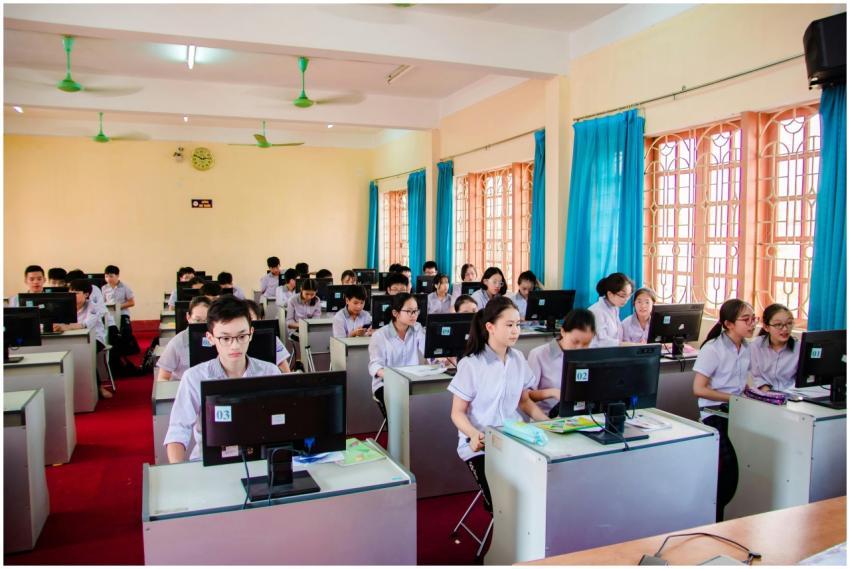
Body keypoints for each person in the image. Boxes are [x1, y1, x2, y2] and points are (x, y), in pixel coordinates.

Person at [447, 296, 549, 514]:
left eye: (518, 325)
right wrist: (473, 434)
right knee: (502, 506)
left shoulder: (518, 359)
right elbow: (457, 413)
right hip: (481, 444)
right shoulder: (471, 364)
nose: (515, 331)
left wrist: (548, 423)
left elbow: (524, 401)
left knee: (536, 495)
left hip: (515, 438)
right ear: (490, 327)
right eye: (509, 325)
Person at [164, 296, 280, 463]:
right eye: (225, 338)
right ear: (210, 338)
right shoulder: (194, 377)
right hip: (208, 464)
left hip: (260, 461)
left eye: (242, 336)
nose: (235, 346)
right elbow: (178, 430)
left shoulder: (270, 372)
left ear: (251, 334)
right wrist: (178, 470)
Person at [692, 298, 756, 521]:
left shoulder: (746, 347)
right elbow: (699, 389)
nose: (752, 324)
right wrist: (734, 398)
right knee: (730, 467)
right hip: (715, 413)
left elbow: (741, 383)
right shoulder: (713, 349)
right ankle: (717, 512)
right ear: (728, 324)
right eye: (746, 320)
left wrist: (753, 394)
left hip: (738, 409)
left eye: (754, 319)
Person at [525, 309, 596, 417]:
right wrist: (552, 392)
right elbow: (527, 396)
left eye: (586, 343)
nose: (580, 348)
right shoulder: (539, 354)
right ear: (563, 332)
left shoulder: (590, 357)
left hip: (579, 416)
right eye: (575, 342)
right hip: (546, 418)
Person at [368, 293, 426, 422]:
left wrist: (441, 359)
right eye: (409, 311)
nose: (414, 315)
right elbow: (374, 365)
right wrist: (394, 377)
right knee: (399, 415)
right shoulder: (380, 335)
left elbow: (427, 349)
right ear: (395, 313)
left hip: (412, 381)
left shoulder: (417, 328)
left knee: (428, 405)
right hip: (386, 384)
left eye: (416, 311)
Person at [56, 279, 111, 398]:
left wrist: (67, 327)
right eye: (70, 292)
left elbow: (86, 324)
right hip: (72, 339)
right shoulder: (64, 307)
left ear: (86, 294)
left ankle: (98, 387)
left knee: (85, 354)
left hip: (95, 339)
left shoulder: (93, 307)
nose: (72, 295)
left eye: (76, 293)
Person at [157, 296, 211, 382]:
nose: (202, 325)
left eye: (207, 320)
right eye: (197, 320)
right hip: (183, 386)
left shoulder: (218, 340)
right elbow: (162, 377)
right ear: (188, 317)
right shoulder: (176, 343)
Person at [751, 303, 799, 392]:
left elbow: (802, 380)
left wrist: (788, 394)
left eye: (789, 323)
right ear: (766, 327)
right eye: (778, 324)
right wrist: (768, 392)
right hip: (765, 394)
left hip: (791, 394)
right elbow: (757, 376)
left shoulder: (799, 348)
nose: (785, 329)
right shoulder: (756, 345)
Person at [245, 300, 292, 373]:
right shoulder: (236, 342)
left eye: (250, 319)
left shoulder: (272, 339)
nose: (246, 323)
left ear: (259, 319)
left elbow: (285, 370)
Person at [588, 272, 634, 347]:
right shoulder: (597, 311)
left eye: (629, 295)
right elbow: (602, 342)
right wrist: (629, 345)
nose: (626, 299)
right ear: (610, 294)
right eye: (623, 296)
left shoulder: (614, 307)